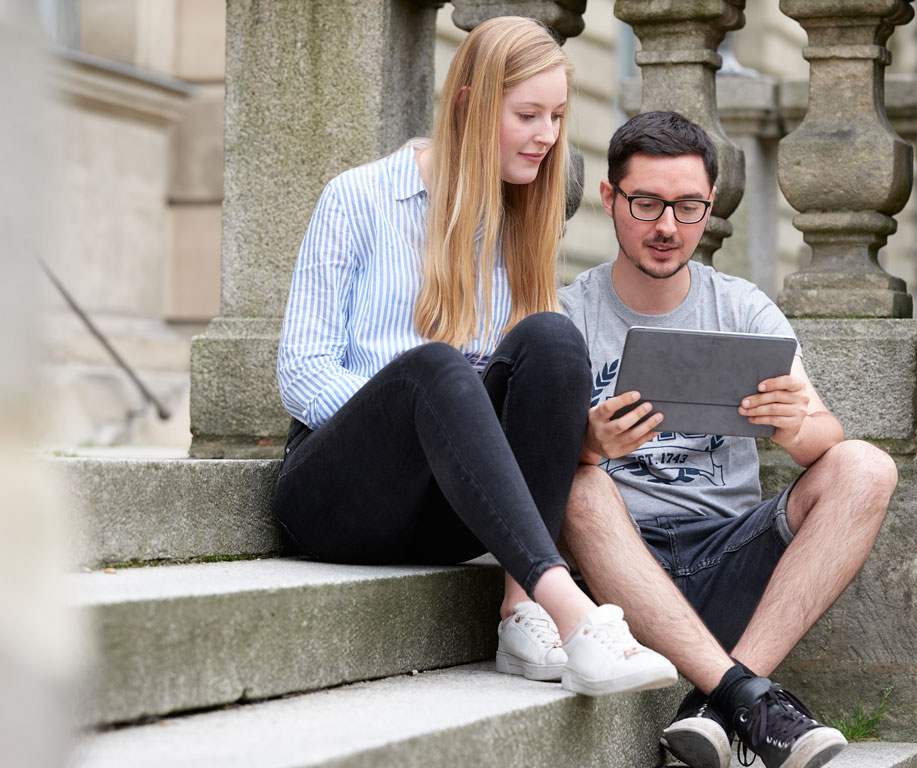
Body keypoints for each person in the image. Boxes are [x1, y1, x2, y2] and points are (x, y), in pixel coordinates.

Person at [273, 17, 677, 698]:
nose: (547, 136)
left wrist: (580, 434)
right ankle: (571, 612)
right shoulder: (359, 198)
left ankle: (521, 611)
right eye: (527, 115)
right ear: (468, 104)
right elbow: (302, 372)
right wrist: (415, 416)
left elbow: (519, 392)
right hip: (337, 498)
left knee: (552, 337)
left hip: (447, 513)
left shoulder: (519, 220)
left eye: (555, 115)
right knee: (436, 370)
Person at [557, 111, 898, 768]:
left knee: (866, 465)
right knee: (577, 480)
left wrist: (793, 426)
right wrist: (588, 445)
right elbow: (528, 466)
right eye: (647, 203)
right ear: (609, 200)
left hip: (727, 557)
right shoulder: (567, 315)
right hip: (616, 570)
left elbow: (823, 440)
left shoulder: (741, 307)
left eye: (688, 207)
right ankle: (750, 702)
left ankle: (720, 700)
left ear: (709, 208)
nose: (666, 226)